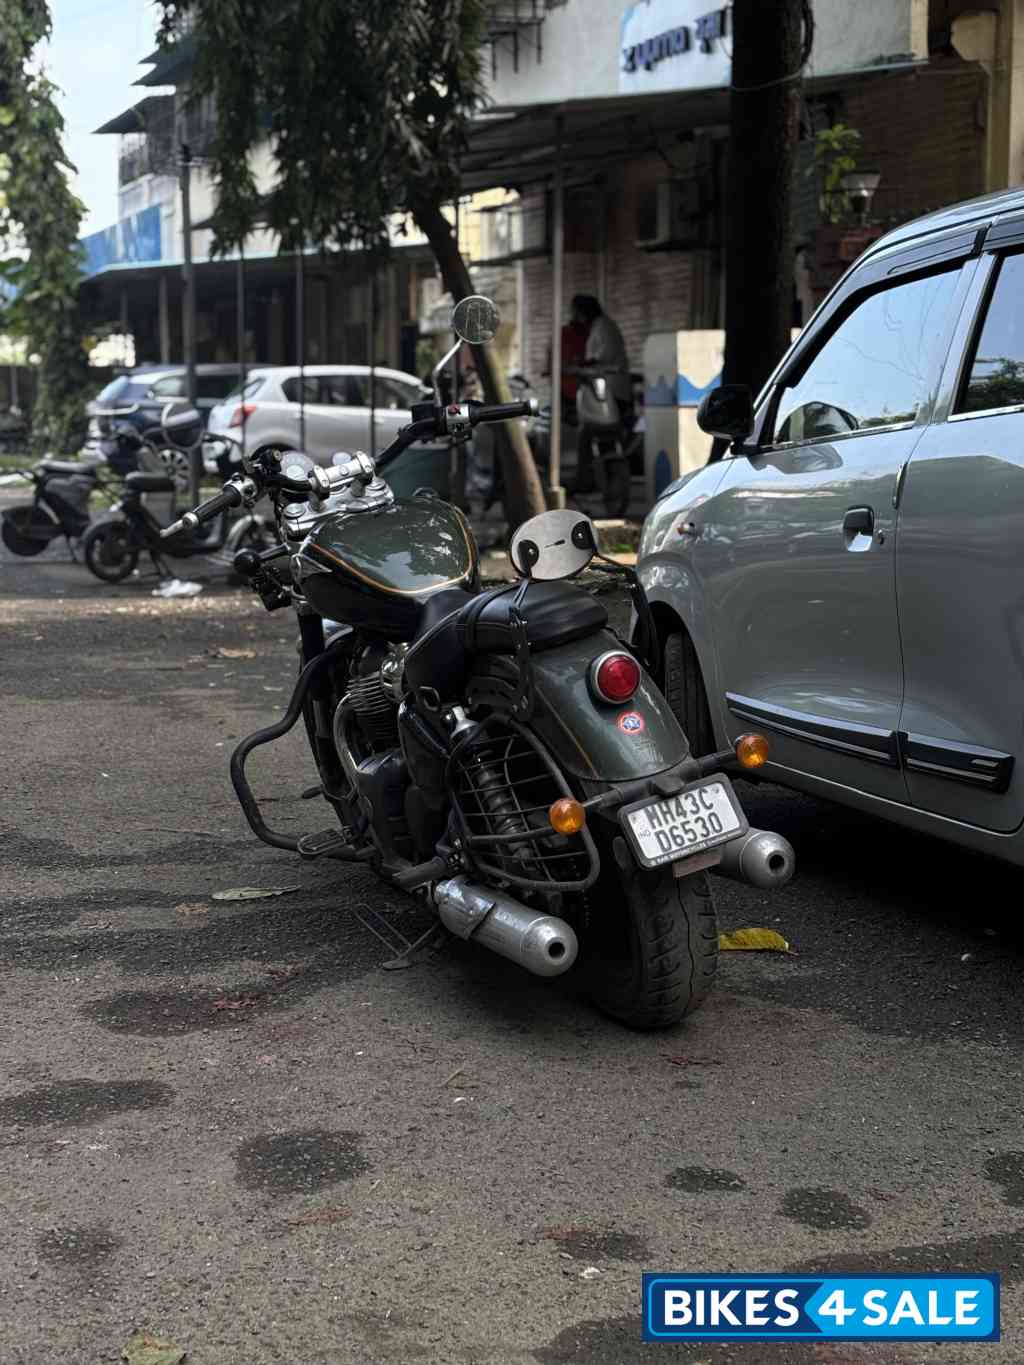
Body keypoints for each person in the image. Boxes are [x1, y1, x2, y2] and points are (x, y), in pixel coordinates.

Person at [566, 294, 633, 497]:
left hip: (611, 391)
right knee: (597, 436)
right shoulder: (599, 327)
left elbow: (602, 357)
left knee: (588, 431)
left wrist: (578, 366)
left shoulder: (604, 327)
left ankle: (585, 479)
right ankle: (599, 479)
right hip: (607, 390)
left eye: (576, 312)